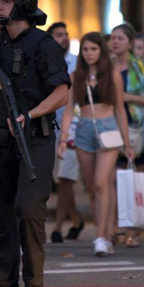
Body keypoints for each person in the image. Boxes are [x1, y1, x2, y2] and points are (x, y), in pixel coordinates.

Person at [0, 0, 70, 287]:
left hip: (36, 140)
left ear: (23, 3)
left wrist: (29, 115)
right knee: (0, 219)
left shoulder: (44, 45)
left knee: (29, 211)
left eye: (5, 0)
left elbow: (61, 92)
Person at [59, 31, 134, 255]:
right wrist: (63, 139)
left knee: (102, 183)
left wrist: (127, 143)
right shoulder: (75, 76)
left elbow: (120, 108)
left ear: (101, 51)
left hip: (108, 129)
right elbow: (69, 110)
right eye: (85, 49)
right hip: (83, 130)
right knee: (92, 187)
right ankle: (105, 233)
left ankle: (102, 237)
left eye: (93, 49)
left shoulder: (112, 75)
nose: (89, 53)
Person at [110, 23, 144, 244]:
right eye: (113, 38)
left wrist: (127, 97)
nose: (115, 42)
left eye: (120, 38)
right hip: (109, 125)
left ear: (129, 42)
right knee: (111, 178)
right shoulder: (106, 66)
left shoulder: (141, 67)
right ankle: (115, 226)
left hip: (135, 126)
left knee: (135, 176)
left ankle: (134, 227)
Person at [46, 22, 83, 243]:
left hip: (73, 129)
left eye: (66, 34)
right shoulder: (47, 62)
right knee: (60, 178)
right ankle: (76, 220)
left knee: (65, 179)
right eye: (59, 35)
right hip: (51, 128)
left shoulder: (77, 64)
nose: (64, 38)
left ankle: (59, 226)